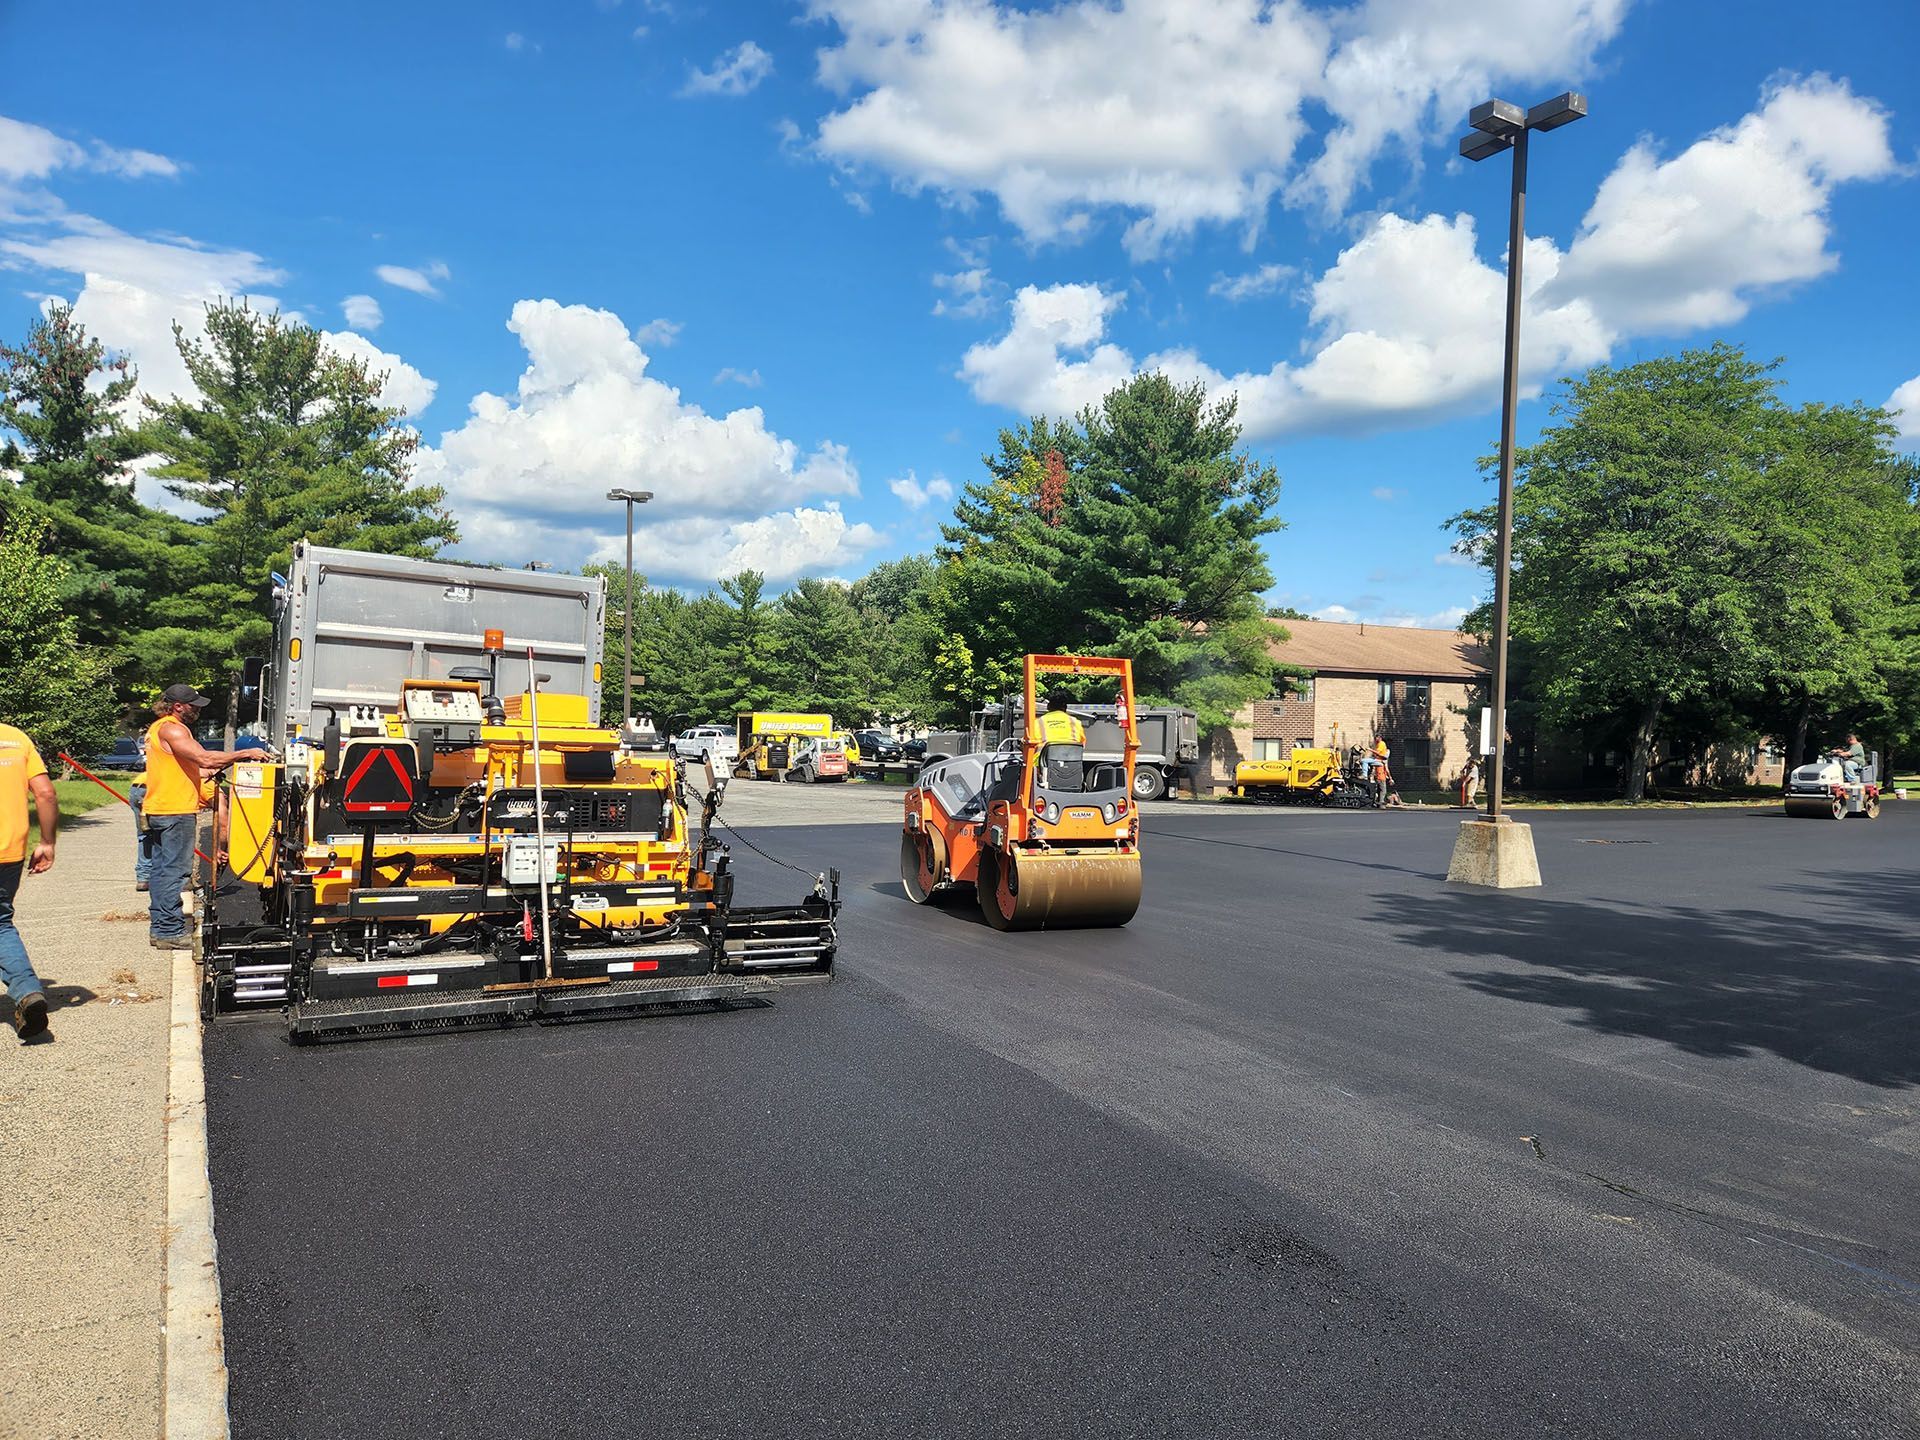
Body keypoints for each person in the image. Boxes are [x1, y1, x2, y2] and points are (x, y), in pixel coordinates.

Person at [143, 685, 246, 952]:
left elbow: (197, 767)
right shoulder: (172, 729)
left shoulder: (160, 728)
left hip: (162, 808)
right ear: (177, 706)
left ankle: (161, 929)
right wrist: (244, 754)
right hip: (173, 811)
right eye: (193, 705)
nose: (198, 709)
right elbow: (204, 758)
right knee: (175, 874)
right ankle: (169, 931)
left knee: (161, 871)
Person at [0, 719, 57, 1040]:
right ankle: (26, 991)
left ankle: (25, 990)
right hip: (8, 851)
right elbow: (45, 793)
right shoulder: (15, 738)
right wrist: (47, 842)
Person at [1038, 690, 1087, 792]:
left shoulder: (1038, 723)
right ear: (1065, 707)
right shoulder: (1075, 723)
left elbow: (1027, 746)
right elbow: (1082, 745)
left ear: (1048, 706)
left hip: (1041, 773)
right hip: (1072, 773)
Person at [130, 728, 150, 892]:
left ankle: (143, 878)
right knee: (162, 834)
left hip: (137, 788)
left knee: (144, 835)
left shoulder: (152, 743)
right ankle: (160, 877)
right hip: (153, 789)